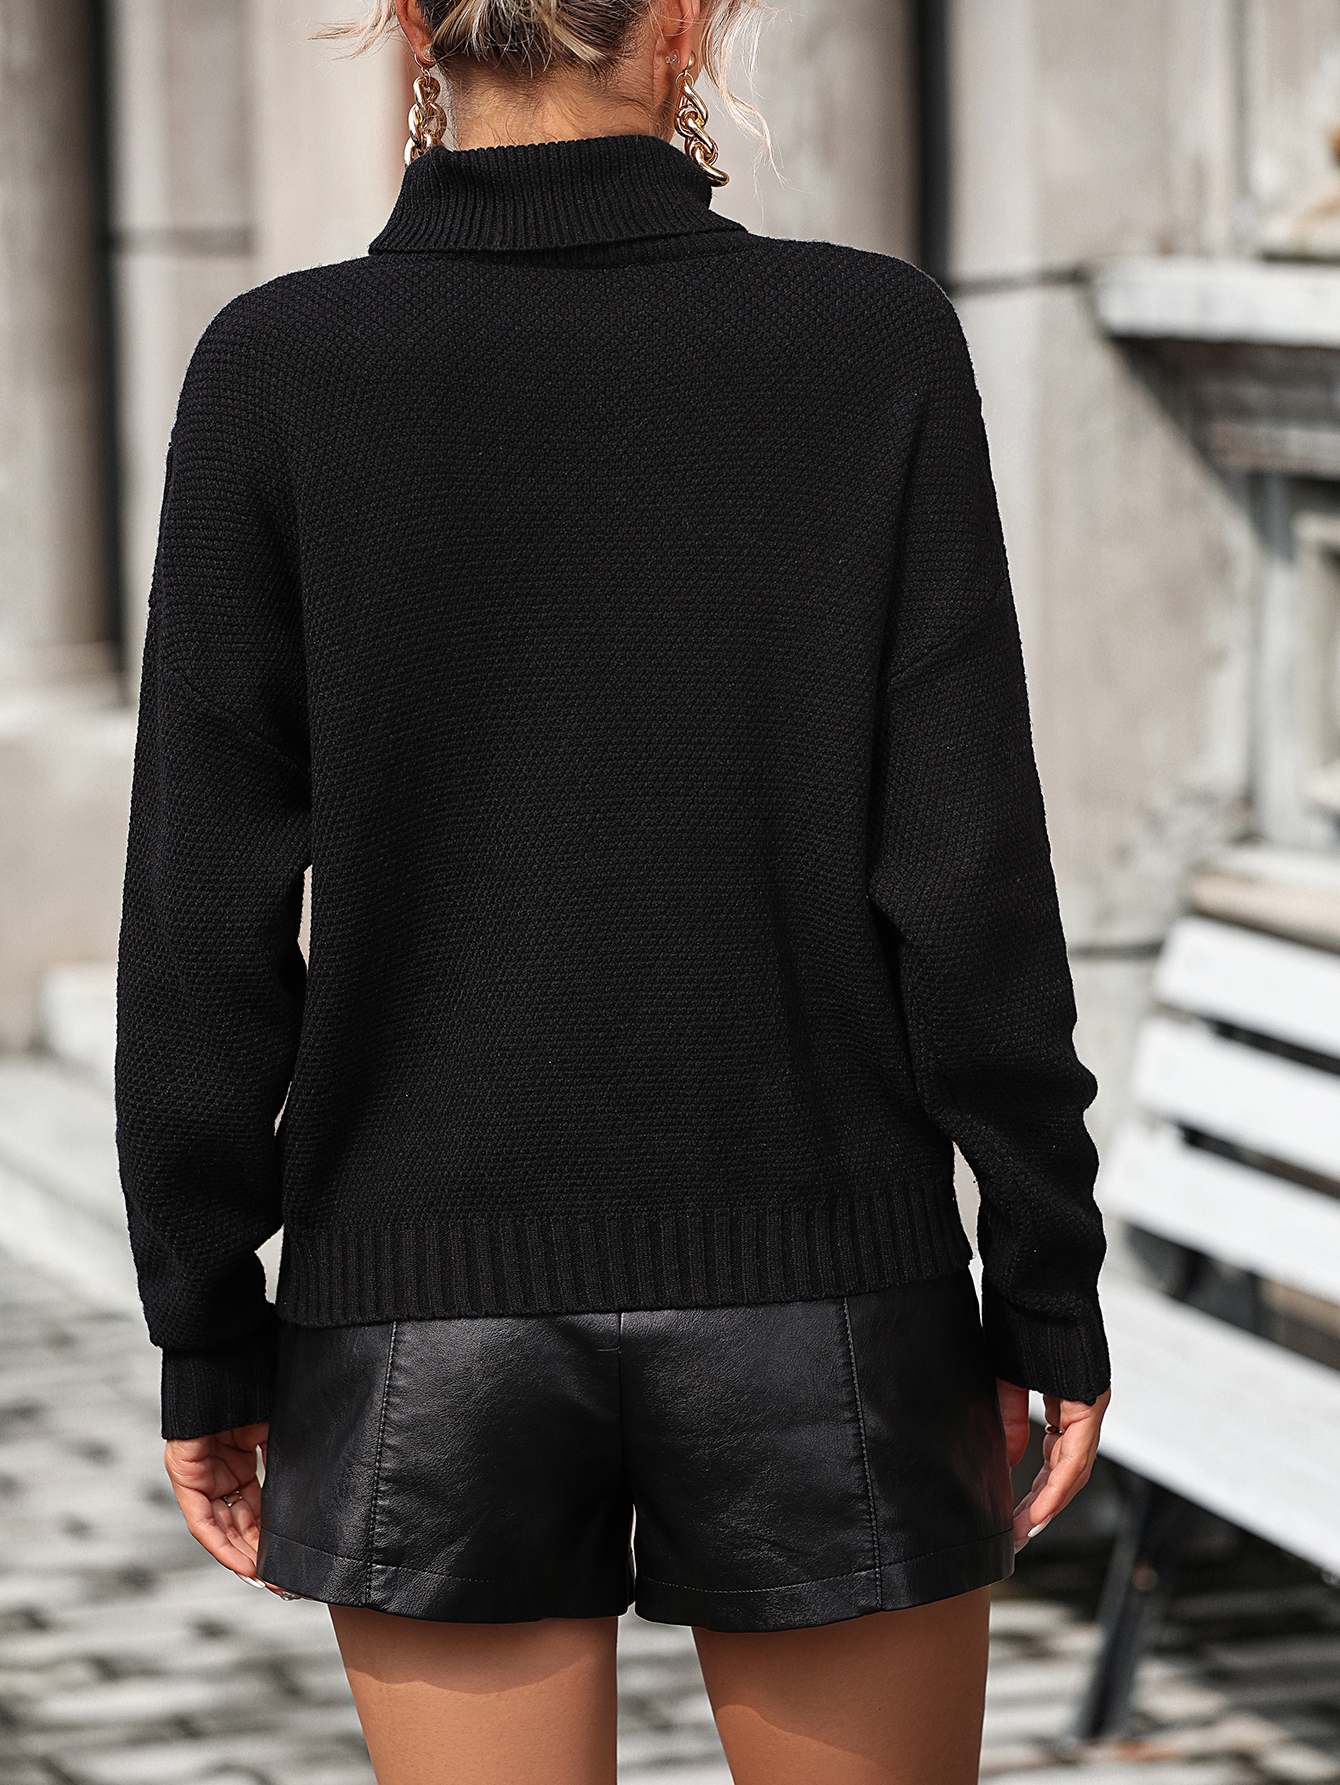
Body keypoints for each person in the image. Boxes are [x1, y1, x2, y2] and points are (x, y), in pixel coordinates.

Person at [113, 1, 1113, 1778]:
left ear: (412, 20)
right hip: (825, 1287)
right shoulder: (868, 341)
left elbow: (203, 925)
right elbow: (968, 877)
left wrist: (205, 1324)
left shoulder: (277, 370)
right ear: (685, 18)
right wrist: (1045, 1272)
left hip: (418, 1304)